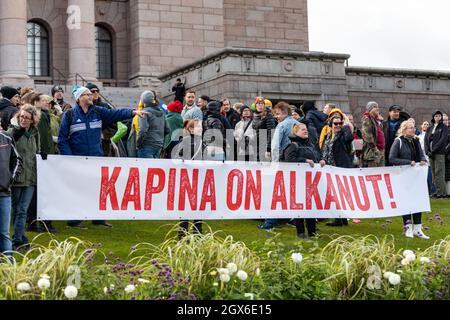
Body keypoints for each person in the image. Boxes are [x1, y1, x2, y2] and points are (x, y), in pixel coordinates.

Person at [58, 86, 147, 229]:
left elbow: (115, 113)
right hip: (78, 159)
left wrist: (132, 112)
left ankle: (98, 219)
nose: (91, 96)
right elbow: (62, 139)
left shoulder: (98, 111)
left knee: (98, 189)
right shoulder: (69, 115)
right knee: (78, 189)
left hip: (96, 158)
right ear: (79, 98)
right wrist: (69, 158)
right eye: (87, 94)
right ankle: (75, 220)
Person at [7, 105, 41, 251]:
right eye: (21, 117)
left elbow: (36, 152)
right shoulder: (12, 132)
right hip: (17, 178)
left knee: (22, 210)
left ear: (33, 120)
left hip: (31, 178)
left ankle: (18, 239)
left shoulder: (35, 133)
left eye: (27, 118)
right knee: (17, 210)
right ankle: (19, 240)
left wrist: (42, 155)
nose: (23, 120)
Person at [389, 119, 429, 239]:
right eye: (410, 127)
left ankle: (418, 228)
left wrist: (422, 160)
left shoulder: (416, 140)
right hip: (404, 177)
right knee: (406, 202)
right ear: (404, 129)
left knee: (417, 201)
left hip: (416, 177)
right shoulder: (398, 141)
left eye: (413, 127)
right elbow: (392, 158)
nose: (413, 129)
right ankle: (408, 228)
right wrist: (408, 162)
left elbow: (421, 154)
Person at [283, 123, 320, 239]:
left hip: (311, 182)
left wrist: (321, 161)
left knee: (311, 207)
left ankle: (312, 233)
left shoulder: (311, 145)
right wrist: (304, 160)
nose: (306, 131)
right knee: (300, 207)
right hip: (298, 182)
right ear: (296, 132)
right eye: (302, 129)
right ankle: (300, 232)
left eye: (306, 130)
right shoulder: (293, 146)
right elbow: (289, 161)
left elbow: (316, 157)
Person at [28, 93, 56, 233]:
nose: (47, 103)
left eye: (47, 101)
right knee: (41, 191)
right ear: (36, 102)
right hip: (42, 158)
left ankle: (36, 221)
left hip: (39, 156)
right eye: (43, 100)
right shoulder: (41, 116)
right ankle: (42, 222)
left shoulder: (42, 114)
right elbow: (44, 138)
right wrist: (46, 153)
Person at [172, 120, 205, 239]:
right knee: (187, 206)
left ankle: (197, 231)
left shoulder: (202, 142)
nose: (201, 128)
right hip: (188, 178)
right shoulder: (186, 141)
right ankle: (183, 233)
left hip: (198, 178)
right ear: (191, 130)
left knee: (198, 206)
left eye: (201, 127)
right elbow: (177, 158)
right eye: (198, 127)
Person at [320, 112, 354, 227]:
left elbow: (349, 138)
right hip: (329, 167)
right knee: (333, 193)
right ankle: (340, 219)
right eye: (336, 123)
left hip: (340, 167)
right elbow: (324, 149)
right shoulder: (328, 135)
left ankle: (341, 219)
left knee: (340, 193)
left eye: (340, 123)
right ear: (331, 124)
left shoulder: (343, 135)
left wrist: (346, 126)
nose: (338, 125)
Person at [0, 126, 21, 256]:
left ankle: (9, 268)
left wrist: (9, 180)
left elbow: (17, 160)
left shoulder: (7, 138)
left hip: (4, 194)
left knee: (4, 233)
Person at [136, 90, 170, 159]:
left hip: (146, 145)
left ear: (143, 101)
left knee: (144, 168)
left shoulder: (144, 112)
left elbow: (142, 130)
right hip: (158, 146)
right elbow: (167, 129)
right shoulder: (162, 112)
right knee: (153, 169)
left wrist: (138, 143)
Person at [425, 110, 448, 199]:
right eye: (436, 116)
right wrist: (427, 151)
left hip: (439, 153)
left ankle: (441, 193)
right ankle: (437, 191)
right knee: (434, 173)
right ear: (433, 117)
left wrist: (433, 150)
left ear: (441, 117)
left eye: (439, 116)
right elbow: (426, 140)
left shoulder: (444, 127)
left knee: (440, 172)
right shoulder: (430, 128)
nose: (437, 117)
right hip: (430, 154)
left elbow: (442, 141)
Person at [252, 97, 277, 162]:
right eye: (258, 103)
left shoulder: (268, 115)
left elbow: (271, 132)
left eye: (262, 103)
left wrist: (268, 148)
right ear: (255, 105)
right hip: (256, 145)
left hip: (265, 146)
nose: (260, 105)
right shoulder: (255, 115)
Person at [361, 101, 385, 167]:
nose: (377, 108)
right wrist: (375, 149)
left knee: (381, 173)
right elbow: (367, 135)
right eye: (374, 107)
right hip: (373, 153)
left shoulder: (377, 120)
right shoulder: (367, 119)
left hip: (381, 150)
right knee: (373, 174)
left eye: (377, 107)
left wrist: (381, 121)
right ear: (370, 109)